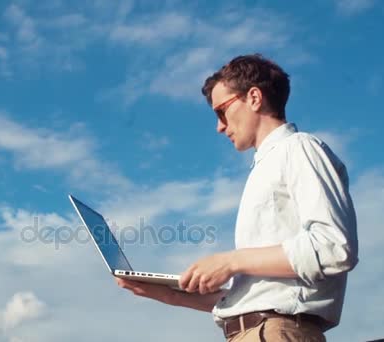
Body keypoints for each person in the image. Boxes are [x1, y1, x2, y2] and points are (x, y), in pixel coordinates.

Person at [116, 54, 358, 341]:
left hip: (275, 332)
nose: (219, 126)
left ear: (254, 98)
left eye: (221, 111)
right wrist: (169, 296)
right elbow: (257, 297)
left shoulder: (298, 148)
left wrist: (231, 261)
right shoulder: (266, 166)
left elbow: (333, 247)